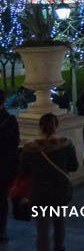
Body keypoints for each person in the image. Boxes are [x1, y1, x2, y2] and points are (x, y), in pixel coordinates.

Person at [19, 113, 78, 251]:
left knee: (42, 230)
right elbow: (73, 167)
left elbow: (22, 171)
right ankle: (59, 247)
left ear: (40, 127)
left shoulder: (29, 149)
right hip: (60, 192)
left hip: (39, 192)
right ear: (56, 126)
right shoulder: (66, 145)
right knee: (59, 223)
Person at [0, 90, 19, 244]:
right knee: (1, 200)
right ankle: (2, 230)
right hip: (4, 167)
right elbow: (15, 144)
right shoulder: (10, 119)